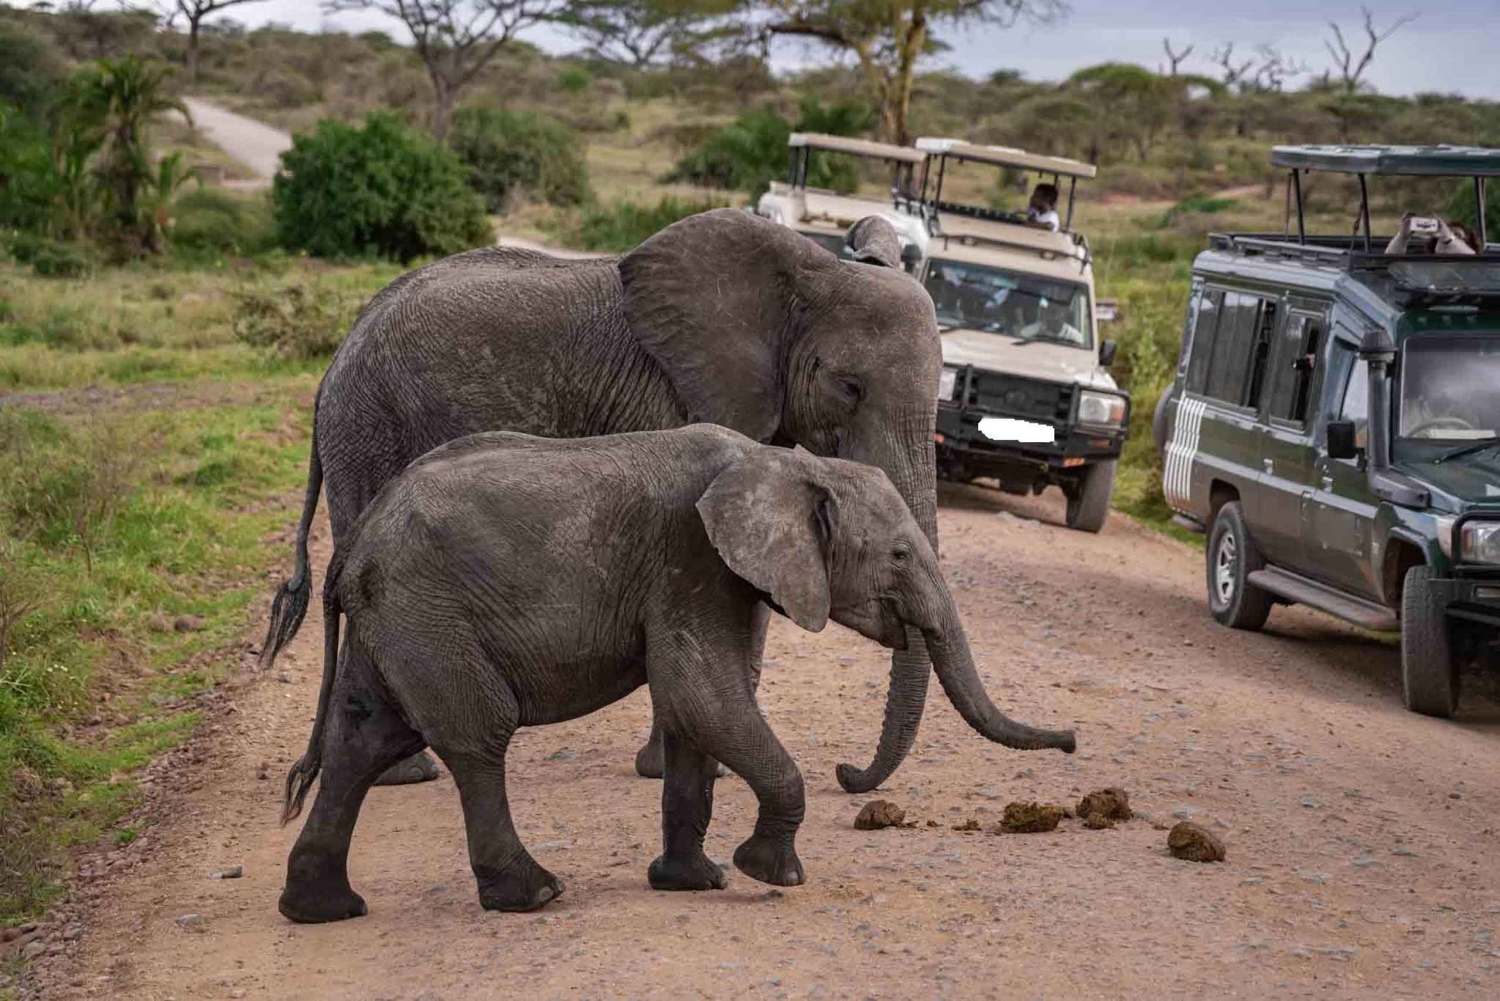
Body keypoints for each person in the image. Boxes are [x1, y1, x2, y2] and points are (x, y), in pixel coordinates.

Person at [1018, 297, 1085, 345]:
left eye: (1059, 314)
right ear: (1046, 314)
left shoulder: (1075, 338)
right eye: (1052, 313)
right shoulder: (1029, 332)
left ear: (1065, 316)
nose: (1055, 317)